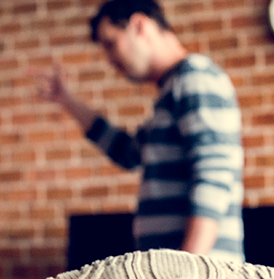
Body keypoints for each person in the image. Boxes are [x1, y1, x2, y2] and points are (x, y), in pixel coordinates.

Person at [36, 0, 244, 263]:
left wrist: (186, 269)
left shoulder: (195, 78)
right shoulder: (170, 92)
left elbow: (214, 175)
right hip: (180, 276)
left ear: (140, 26)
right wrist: (68, 101)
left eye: (111, 44)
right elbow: (128, 153)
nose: (110, 60)